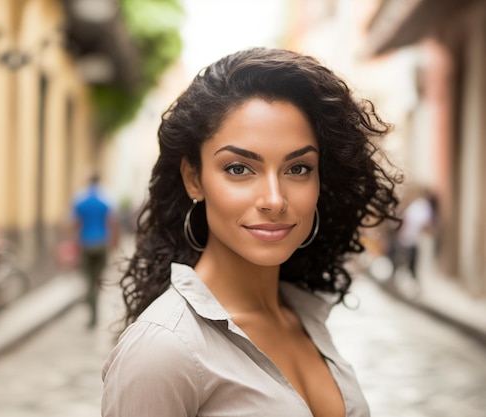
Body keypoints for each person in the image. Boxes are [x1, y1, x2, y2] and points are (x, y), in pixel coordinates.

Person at [101, 48, 401, 417]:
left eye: (298, 169)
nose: (274, 200)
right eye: (239, 169)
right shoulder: (165, 350)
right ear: (194, 178)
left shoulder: (300, 314)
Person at [69, 172, 119, 328]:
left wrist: (72, 241)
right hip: (101, 244)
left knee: (88, 279)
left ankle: (91, 308)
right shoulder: (106, 198)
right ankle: (93, 309)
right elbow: (113, 223)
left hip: (85, 243)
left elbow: (73, 223)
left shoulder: (80, 199)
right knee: (97, 279)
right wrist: (114, 245)